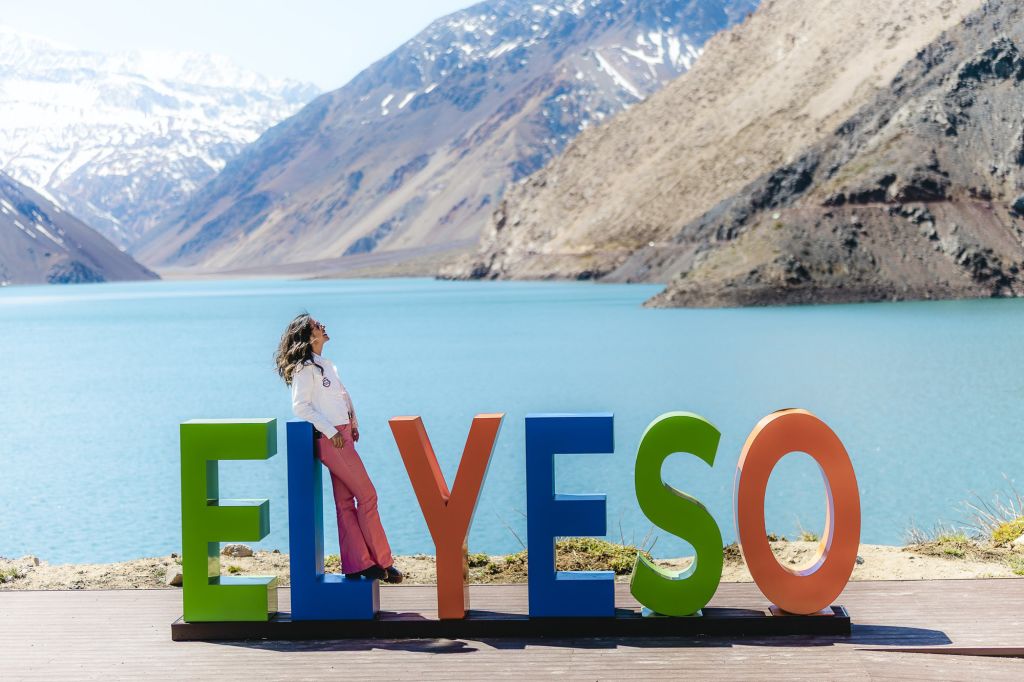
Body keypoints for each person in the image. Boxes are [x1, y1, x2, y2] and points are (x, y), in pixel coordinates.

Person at [274, 312, 402, 584]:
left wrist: (352, 421)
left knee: (345, 503)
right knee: (368, 496)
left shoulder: (324, 364)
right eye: (316, 325)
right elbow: (300, 406)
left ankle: (358, 564)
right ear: (308, 336)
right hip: (332, 440)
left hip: (342, 436)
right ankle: (383, 562)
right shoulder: (305, 368)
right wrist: (332, 432)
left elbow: (340, 397)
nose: (322, 325)